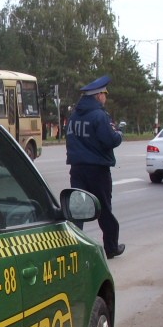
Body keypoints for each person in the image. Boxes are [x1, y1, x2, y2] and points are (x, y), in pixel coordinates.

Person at [65, 75, 125, 258]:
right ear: (98, 95)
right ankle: (111, 248)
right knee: (104, 209)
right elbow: (109, 140)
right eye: (105, 94)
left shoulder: (74, 115)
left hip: (77, 168)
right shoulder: (99, 116)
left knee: (77, 210)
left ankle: (74, 249)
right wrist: (119, 134)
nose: (105, 98)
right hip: (97, 170)